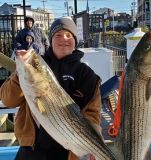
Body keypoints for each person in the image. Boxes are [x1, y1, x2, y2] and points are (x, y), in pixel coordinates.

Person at [0, 17, 101, 160]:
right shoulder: (37, 65)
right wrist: (21, 73)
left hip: (68, 153)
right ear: (51, 40)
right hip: (31, 149)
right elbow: (8, 100)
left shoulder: (87, 75)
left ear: (75, 41)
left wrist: (94, 145)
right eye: (58, 35)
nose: (63, 39)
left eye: (68, 35)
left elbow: (92, 114)